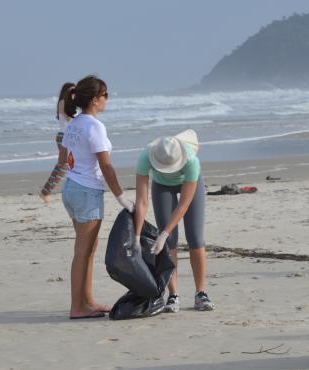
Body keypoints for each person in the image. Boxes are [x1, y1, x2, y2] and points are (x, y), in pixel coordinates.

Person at [60, 75, 135, 319]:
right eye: (105, 95)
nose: (107, 99)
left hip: (72, 188)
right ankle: (77, 306)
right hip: (86, 192)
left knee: (87, 250)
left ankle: (87, 300)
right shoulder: (94, 126)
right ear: (95, 100)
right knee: (83, 251)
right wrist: (121, 197)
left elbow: (67, 158)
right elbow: (106, 166)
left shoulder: (74, 124)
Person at [133, 130, 213, 312]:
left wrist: (163, 233)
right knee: (169, 243)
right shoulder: (145, 157)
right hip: (162, 186)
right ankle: (173, 295)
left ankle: (201, 293)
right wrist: (137, 234)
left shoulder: (192, 161)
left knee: (196, 238)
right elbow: (141, 201)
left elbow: (184, 205)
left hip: (189, 184)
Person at [40, 83, 75, 202]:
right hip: (64, 136)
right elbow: (70, 118)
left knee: (63, 165)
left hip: (68, 136)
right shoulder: (63, 102)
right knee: (64, 166)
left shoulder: (69, 103)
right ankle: (45, 192)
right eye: (71, 91)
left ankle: (46, 191)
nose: (73, 94)